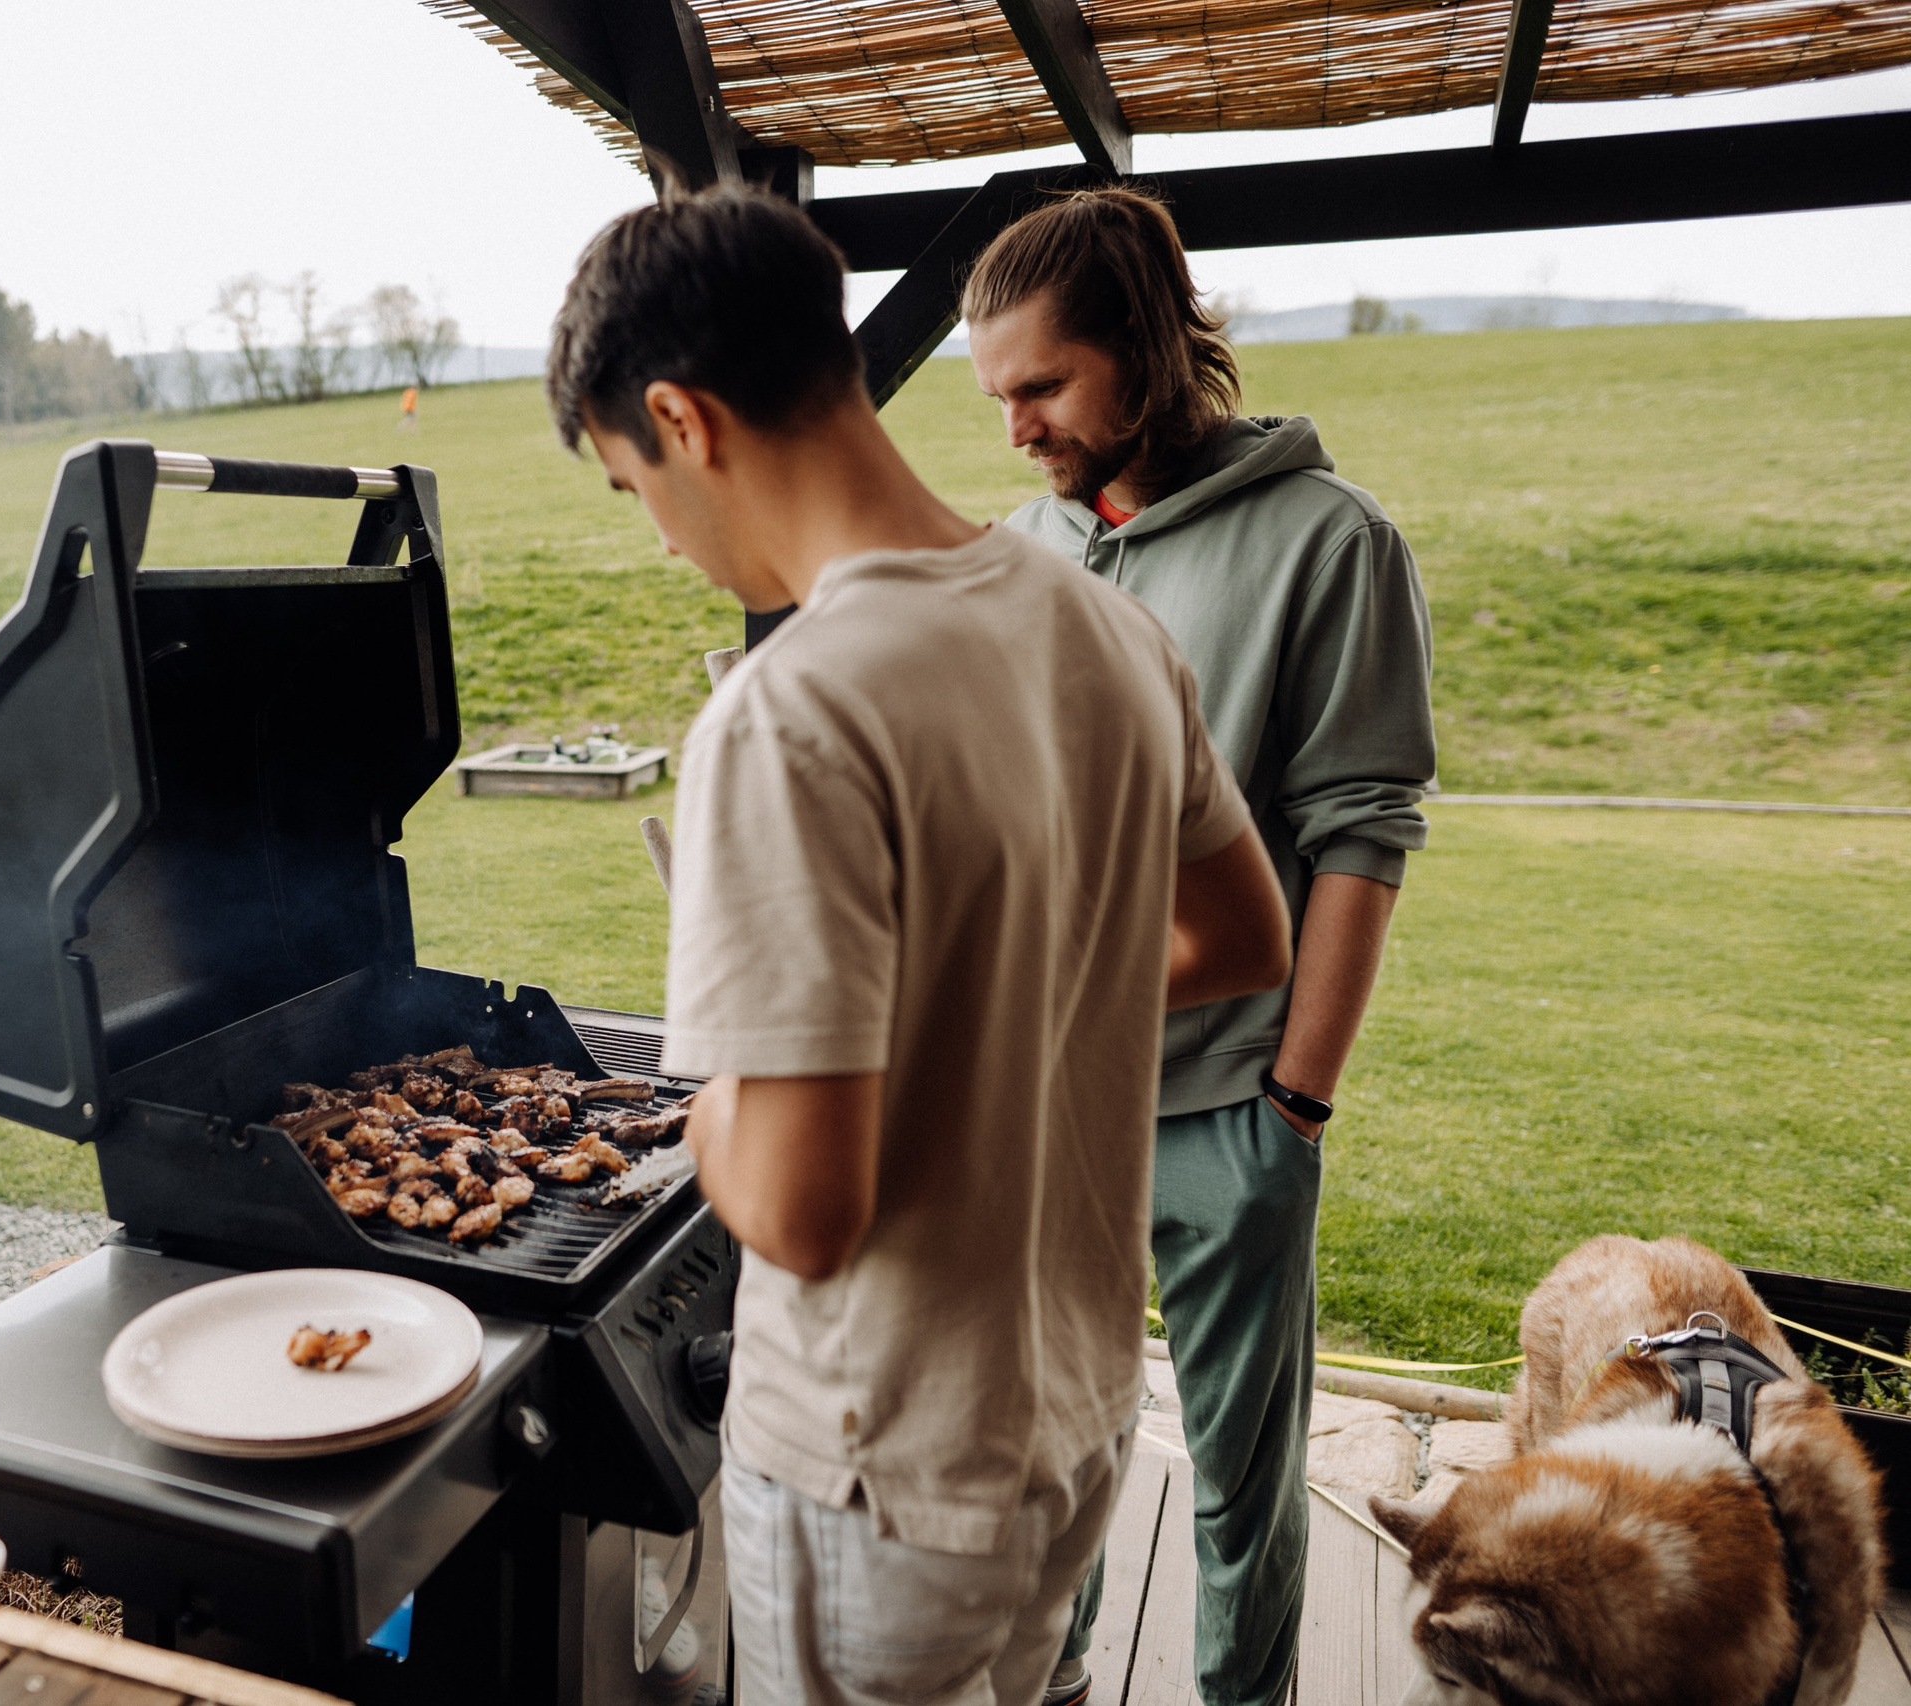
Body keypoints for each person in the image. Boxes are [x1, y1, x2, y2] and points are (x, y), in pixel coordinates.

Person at [546, 184, 1297, 1706]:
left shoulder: (789, 711)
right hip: (1075, 1430)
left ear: (683, 420)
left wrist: (702, 1111)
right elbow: (1240, 932)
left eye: (633, 486)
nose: (666, 538)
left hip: (877, 1475)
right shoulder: (1099, 621)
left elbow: (808, 1211)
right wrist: (1006, 993)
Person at [963, 189, 1438, 1706]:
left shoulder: (1333, 541)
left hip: (1230, 1106)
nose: (1018, 428)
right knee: (1055, 1464)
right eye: (999, 395)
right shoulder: (1020, 547)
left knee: (1237, 1485)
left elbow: (1362, 835)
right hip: (1047, 1109)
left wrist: (1295, 1101)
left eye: (1042, 386)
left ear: (1153, 349)